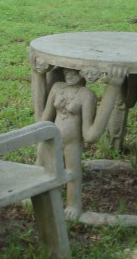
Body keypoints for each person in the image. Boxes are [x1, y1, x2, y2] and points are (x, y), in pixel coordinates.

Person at [40, 68, 97, 219]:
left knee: (73, 171)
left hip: (72, 141)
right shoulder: (57, 87)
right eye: (66, 72)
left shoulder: (87, 94)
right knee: (45, 165)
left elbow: (88, 127)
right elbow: (46, 115)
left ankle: (73, 204)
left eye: (74, 72)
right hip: (53, 136)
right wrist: (40, 132)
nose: (69, 75)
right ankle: (39, 195)